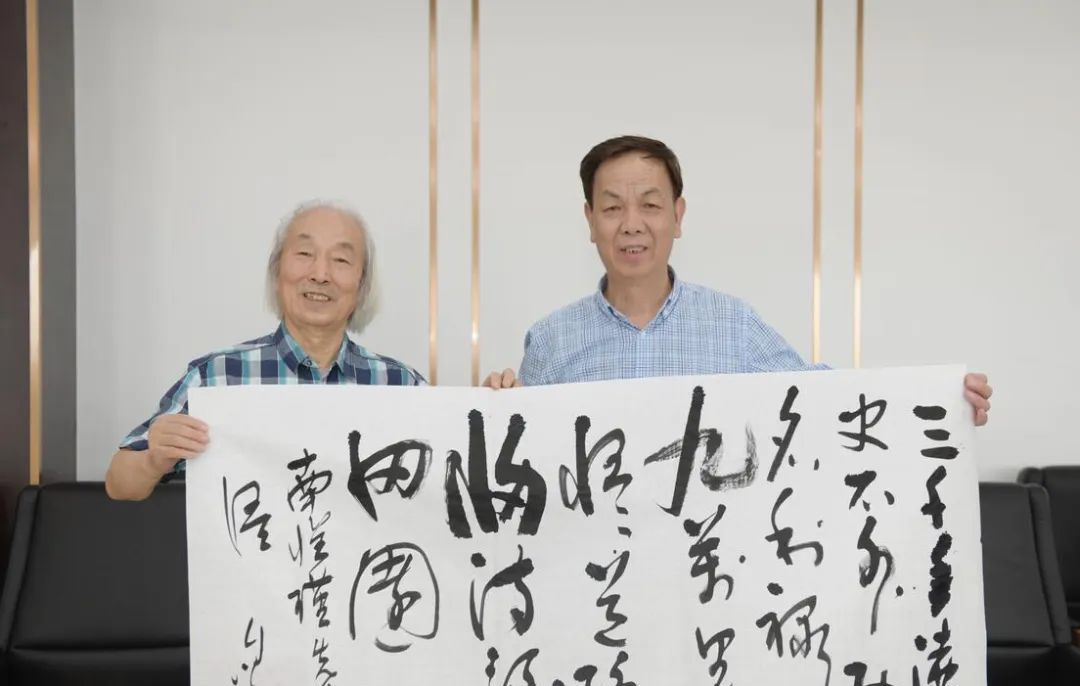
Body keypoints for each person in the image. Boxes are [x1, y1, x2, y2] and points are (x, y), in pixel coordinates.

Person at [482, 135, 992, 425]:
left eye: (651, 205)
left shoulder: (734, 326)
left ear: (678, 216)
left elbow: (824, 400)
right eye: (613, 207)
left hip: (707, 570)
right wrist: (492, 409)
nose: (632, 224)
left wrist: (937, 400)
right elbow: (525, 459)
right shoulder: (550, 339)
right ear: (590, 220)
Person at [105, 201, 425, 501]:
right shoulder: (217, 377)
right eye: (304, 253)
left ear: (362, 283)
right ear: (276, 271)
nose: (320, 274)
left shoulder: (401, 384)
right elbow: (119, 485)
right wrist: (153, 460)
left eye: (341, 260)